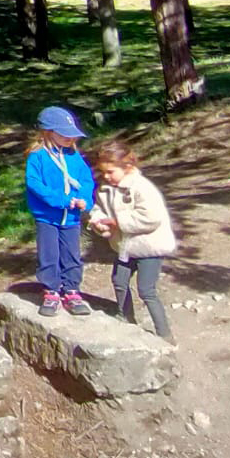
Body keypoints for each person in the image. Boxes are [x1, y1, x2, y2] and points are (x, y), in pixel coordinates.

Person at [88, 137, 177, 340]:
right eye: (103, 172)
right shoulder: (105, 189)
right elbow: (99, 210)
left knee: (146, 290)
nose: (106, 176)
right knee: (119, 281)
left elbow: (151, 218)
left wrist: (116, 221)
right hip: (124, 246)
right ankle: (126, 317)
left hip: (148, 247)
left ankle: (164, 333)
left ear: (127, 166)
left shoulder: (142, 187)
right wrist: (99, 221)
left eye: (111, 172)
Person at [25, 105, 97, 317]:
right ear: (48, 132)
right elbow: (34, 184)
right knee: (49, 254)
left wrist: (85, 201)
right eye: (64, 134)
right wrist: (61, 201)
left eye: (72, 135)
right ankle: (51, 290)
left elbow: (86, 181)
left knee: (72, 254)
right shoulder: (37, 157)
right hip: (47, 217)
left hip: (72, 218)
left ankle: (72, 290)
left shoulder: (75, 156)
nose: (70, 139)